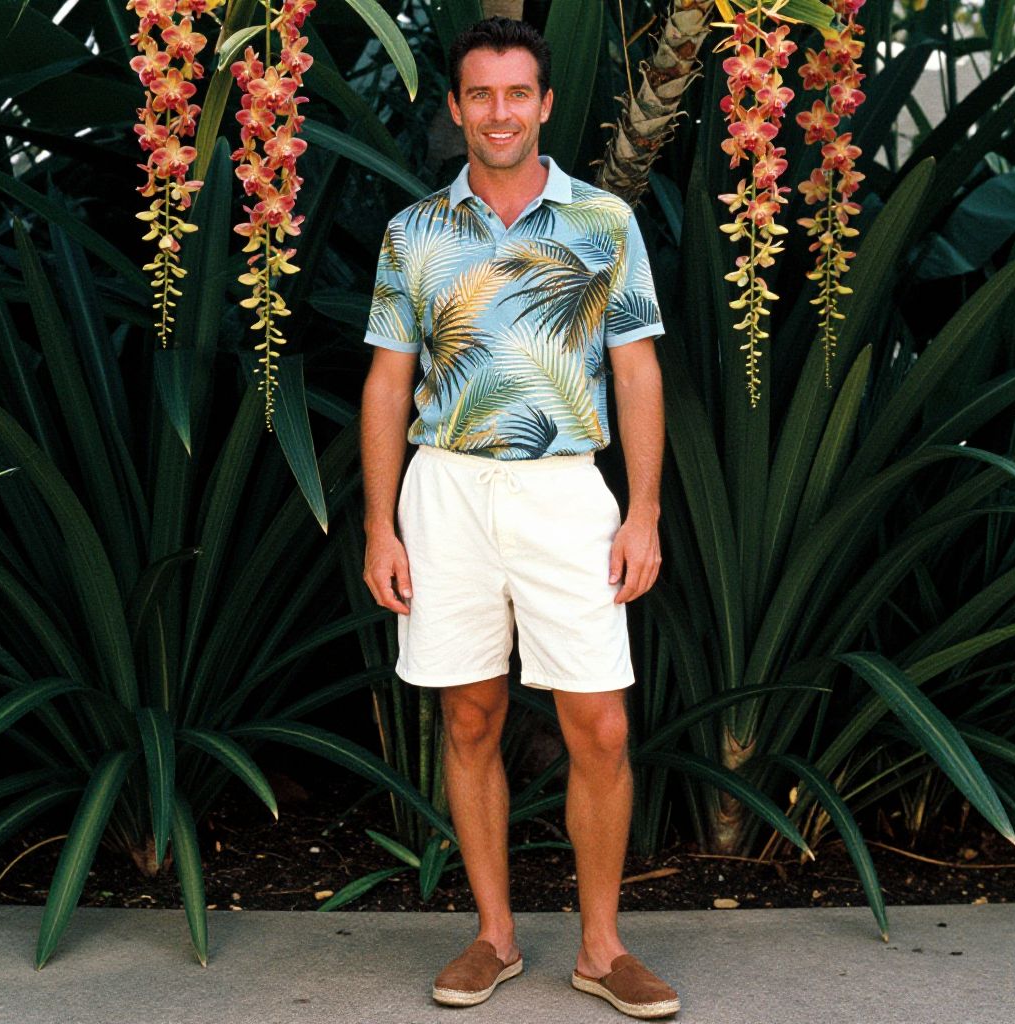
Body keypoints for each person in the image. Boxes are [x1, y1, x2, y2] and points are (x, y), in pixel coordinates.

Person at [359, 15, 678, 1020]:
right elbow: (386, 382)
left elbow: (637, 370)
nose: (499, 112)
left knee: (601, 722)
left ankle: (601, 949)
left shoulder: (602, 224)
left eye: (517, 94)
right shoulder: (414, 233)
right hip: (445, 490)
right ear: (458, 109)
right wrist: (379, 526)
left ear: (544, 104)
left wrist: (643, 512)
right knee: (469, 715)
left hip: (565, 491)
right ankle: (494, 937)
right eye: (480, 95)